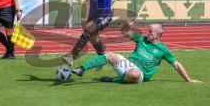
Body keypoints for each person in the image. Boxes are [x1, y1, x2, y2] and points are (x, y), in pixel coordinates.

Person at [72, 22, 202, 84]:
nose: (147, 33)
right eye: (147, 30)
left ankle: (112, 80)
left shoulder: (164, 50)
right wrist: (127, 25)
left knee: (134, 74)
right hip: (128, 64)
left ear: (159, 35)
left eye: (150, 32)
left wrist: (189, 80)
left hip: (140, 74)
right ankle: (82, 69)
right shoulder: (141, 38)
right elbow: (124, 32)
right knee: (108, 55)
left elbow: (177, 65)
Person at [63, 0, 125, 65]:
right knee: (93, 38)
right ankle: (103, 58)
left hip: (104, 15)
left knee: (87, 30)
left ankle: (72, 57)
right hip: (93, 15)